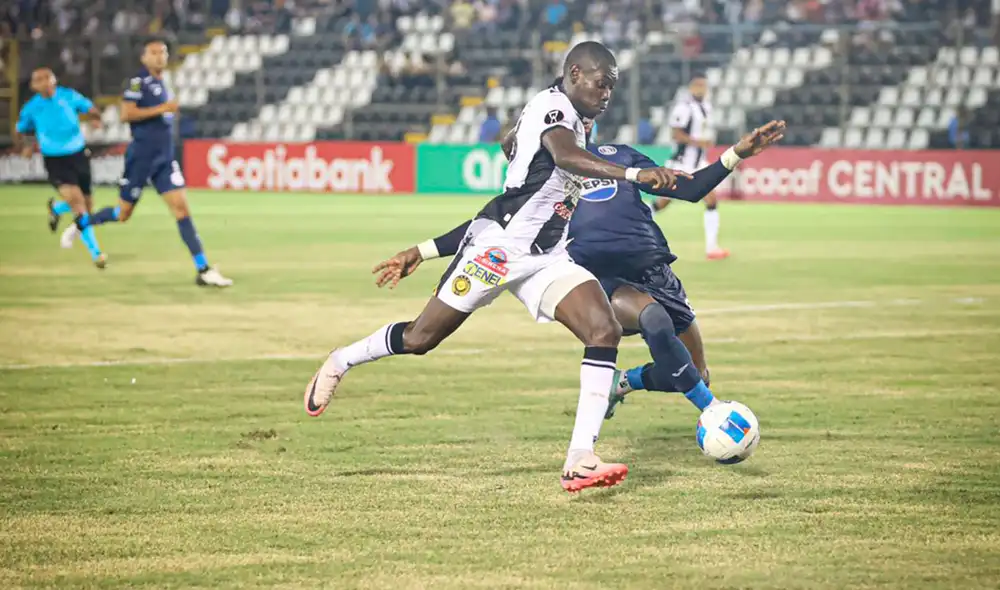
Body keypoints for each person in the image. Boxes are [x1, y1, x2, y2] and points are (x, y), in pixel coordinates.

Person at [304, 41, 685, 493]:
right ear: (576, 73)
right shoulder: (554, 108)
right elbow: (562, 158)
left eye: (612, 88)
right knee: (420, 338)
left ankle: (580, 457)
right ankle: (341, 360)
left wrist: (521, 157)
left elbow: (514, 151)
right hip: (498, 253)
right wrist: (634, 175)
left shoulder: (567, 116)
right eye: (602, 84)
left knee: (603, 330)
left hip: (547, 259)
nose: (607, 94)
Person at [376, 119, 787, 433]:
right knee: (653, 320)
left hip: (657, 271)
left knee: (693, 372)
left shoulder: (621, 155)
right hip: (603, 279)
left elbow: (690, 189)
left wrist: (737, 153)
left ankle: (622, 383)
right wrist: (423, 251)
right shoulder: (541, 184)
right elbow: (482, 229)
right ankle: (713, 411)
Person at [71, 40, 232, 287]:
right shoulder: (138, 82)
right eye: (154, 53)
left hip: (164, 159)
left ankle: (203, 269)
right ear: (144, 57)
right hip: (141, 158)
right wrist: (162, 109)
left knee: (181, 209)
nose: (159, 57)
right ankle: (84, 222)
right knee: (123, 213)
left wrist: (165, 112)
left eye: (163, 52)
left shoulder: (161, 82)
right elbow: (126, 114)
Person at [14, 67, 106, 267]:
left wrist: (95, 118)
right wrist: (26, 147)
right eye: (39, 79)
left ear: (54, 79)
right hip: (55, 160)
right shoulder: (31, 108)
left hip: (78, 155)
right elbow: (21, 130)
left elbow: (89, 108)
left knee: (88, 206)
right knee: (79, 206)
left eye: (47, 77)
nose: (44, 82)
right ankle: (96, 254)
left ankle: (56, 208)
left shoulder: (69, 96)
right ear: (33, 85)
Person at [650, 73, 729, 260]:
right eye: (698, 85)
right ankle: (634, 226)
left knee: (711, 200)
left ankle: (712, 247)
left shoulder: (707, 107)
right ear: (691, 88)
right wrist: (699, 142)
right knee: (662, 202)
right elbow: (676, 135)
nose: (701, 89)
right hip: (682, 163)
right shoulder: (683, 108)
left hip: (698, 164)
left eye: (704, 86)